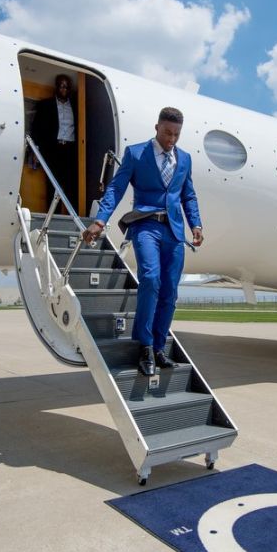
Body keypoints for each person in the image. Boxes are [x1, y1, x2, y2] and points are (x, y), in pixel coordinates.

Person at [84, 107, 204, 377]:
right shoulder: (136, 153)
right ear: (156, 127)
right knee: (150, 278)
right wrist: (100, 219)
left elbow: (189, 196)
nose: (171, 139)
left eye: (176, 134)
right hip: (146, 225)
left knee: (171, 291)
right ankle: (145, 346)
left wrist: (195, 224)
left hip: (173, 231)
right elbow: (116, 188)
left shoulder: (184, 159)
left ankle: (160, 348)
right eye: (167, 132)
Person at [29, 74, 79, 211]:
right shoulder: (45, 104)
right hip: (53, 149)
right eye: (62, 86)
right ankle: (52, 216)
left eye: (68, 87)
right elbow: (36, 128)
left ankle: (71, 216)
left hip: (70, 150)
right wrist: (35, 150)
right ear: (56, 87)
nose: (65, 89)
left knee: (70, 184)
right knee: (52, 184)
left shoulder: (77, 106)